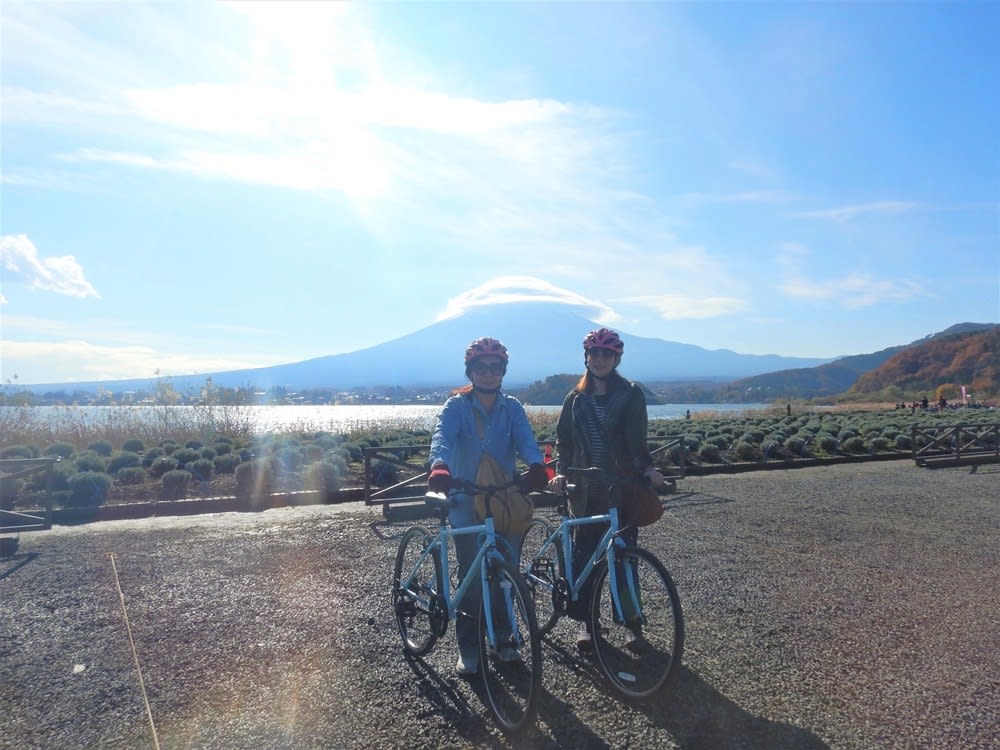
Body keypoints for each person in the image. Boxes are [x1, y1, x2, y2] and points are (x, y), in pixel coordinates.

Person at [427, 337, 548, 677]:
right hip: (466, 496)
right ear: (471, 371)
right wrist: (439, 465)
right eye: (482, 368)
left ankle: (504, 636)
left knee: (505, 573)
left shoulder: (513, 408)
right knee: (472, 575)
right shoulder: (456, 407)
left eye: (495, 368)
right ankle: (469, 645)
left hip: (503, 496)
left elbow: (525, 439)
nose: (489, 374)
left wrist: (537, 465)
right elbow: (443, 438)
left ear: (503, 372)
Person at [546, 327, 665, 652]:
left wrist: (649, 470)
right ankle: (587, 622)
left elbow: (637, 442)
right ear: (586, 357)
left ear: (616, 358)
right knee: (586, 559)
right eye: (594, 354)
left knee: (624, 557)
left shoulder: (630, 394)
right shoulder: (575, 398)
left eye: (606, 354)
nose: (600, 360)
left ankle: (631, 624)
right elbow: (565, 442)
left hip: (621, 489)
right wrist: (560, 472)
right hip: (585, 489)